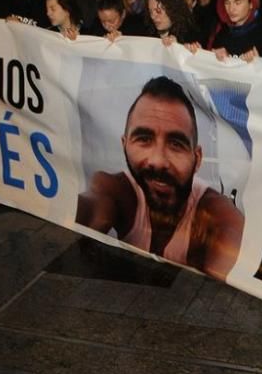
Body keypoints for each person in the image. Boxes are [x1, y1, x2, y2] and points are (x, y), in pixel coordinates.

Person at [74, 76, 244, 280]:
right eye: (144, 139)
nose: (158, 161)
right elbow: (93, 208)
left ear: (197, 158)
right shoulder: (115, 189)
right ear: (124, 145)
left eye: (176, 144)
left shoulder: (215, 214)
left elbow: (232, 244)